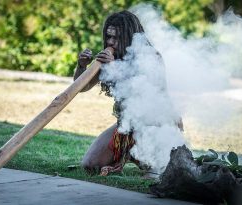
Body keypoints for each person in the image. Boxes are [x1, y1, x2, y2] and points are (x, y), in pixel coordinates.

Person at [74, 10, 182, 176]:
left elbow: (151, 99)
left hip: (154, 127)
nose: (110, 42)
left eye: (116, 38)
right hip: (126, 125)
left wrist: (115, 69)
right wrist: (82, 66)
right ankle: (128, 153)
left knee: (155, 171)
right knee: (91, 165)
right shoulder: (109, 58)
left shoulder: (151, 57)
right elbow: (82, 87)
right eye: (108, 37)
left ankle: (155, 157)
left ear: (130, 36)